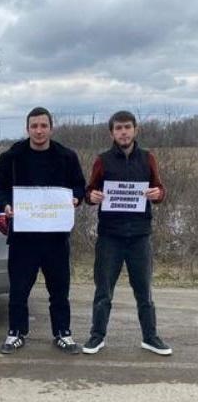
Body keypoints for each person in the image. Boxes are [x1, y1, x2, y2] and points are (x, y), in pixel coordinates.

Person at [0, 106, 85, 355]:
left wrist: (75, 198)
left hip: (56, 236)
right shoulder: (12, 156)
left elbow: (79, 185)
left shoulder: (66, 156)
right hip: (23, 237)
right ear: (27, 128)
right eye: (34, 126)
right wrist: (5, 204)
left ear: (51, 128)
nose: (39, 131)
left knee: (59, 289)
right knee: (19, 289)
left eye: (43, 126)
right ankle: (16, 332)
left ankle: (62, 332)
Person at [82, 110, 171, 356]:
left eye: (127, 127)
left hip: (140, 236)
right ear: (112, 133)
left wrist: (158, 194)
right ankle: (97, 336)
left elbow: (160, 189)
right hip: (110, 236)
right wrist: (92, 196)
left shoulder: (148, 158)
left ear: (135, 130)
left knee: (144, 291)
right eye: (118, 128)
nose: (123, 132)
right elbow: (89, 191)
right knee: (103, 291)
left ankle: (150, 337)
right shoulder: (102, 160)